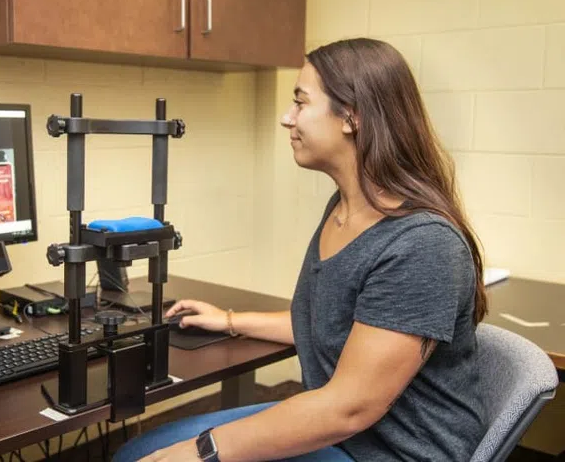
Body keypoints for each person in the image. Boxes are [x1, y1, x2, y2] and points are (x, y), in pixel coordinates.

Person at [113, 38, 488, 462]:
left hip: (388, 451)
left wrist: (204, 451)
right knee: (141, 450)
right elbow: (333, 326)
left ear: (352, 116)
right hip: (341, 430)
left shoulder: (422, 245)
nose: (286, 118)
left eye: (300, 103)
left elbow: (349, 407)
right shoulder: (344, 209)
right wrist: (230, 320)